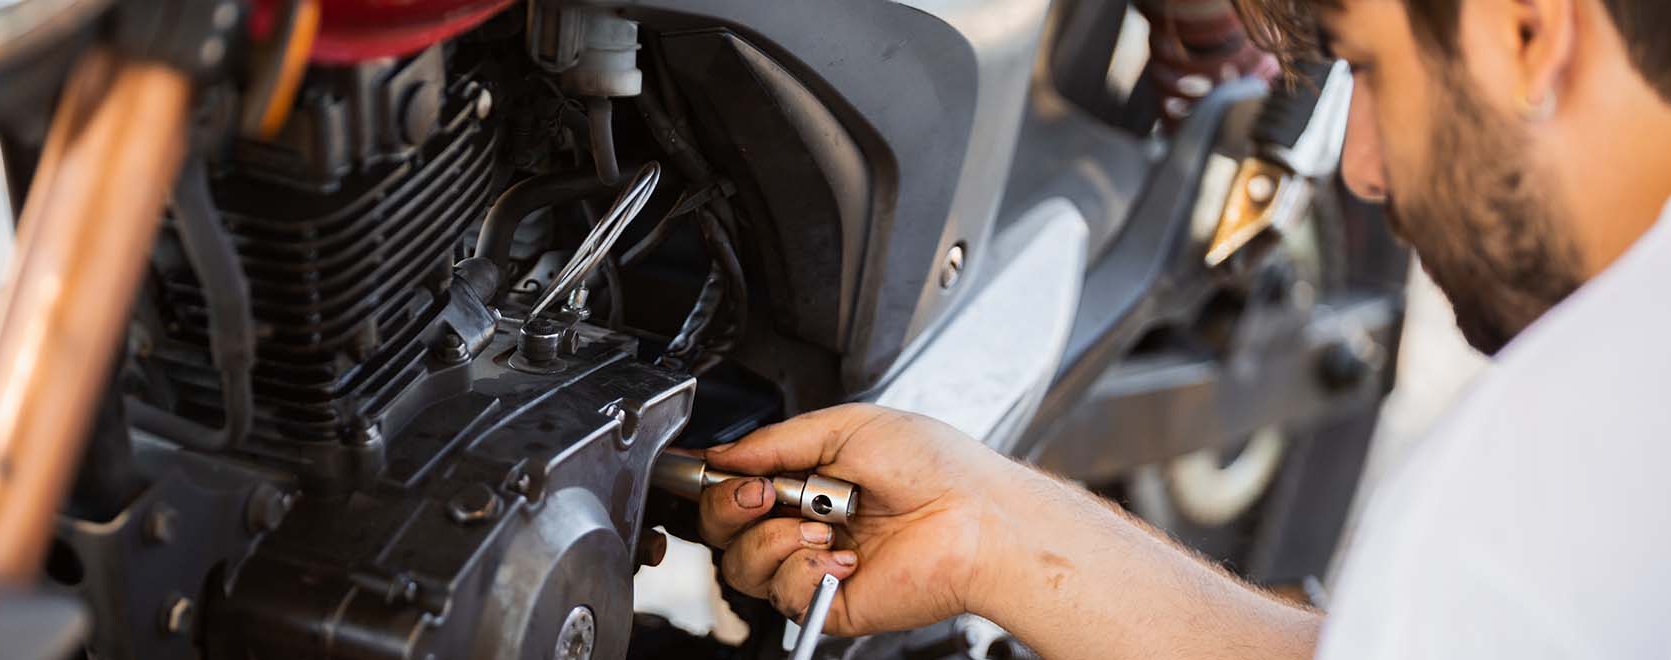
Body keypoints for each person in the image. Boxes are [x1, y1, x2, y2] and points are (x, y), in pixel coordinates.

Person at [691, 0, 1671, 657]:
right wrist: (987, 533)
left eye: (1367, 69)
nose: (1362, 173)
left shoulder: (1546, 494)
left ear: (1529, 32)